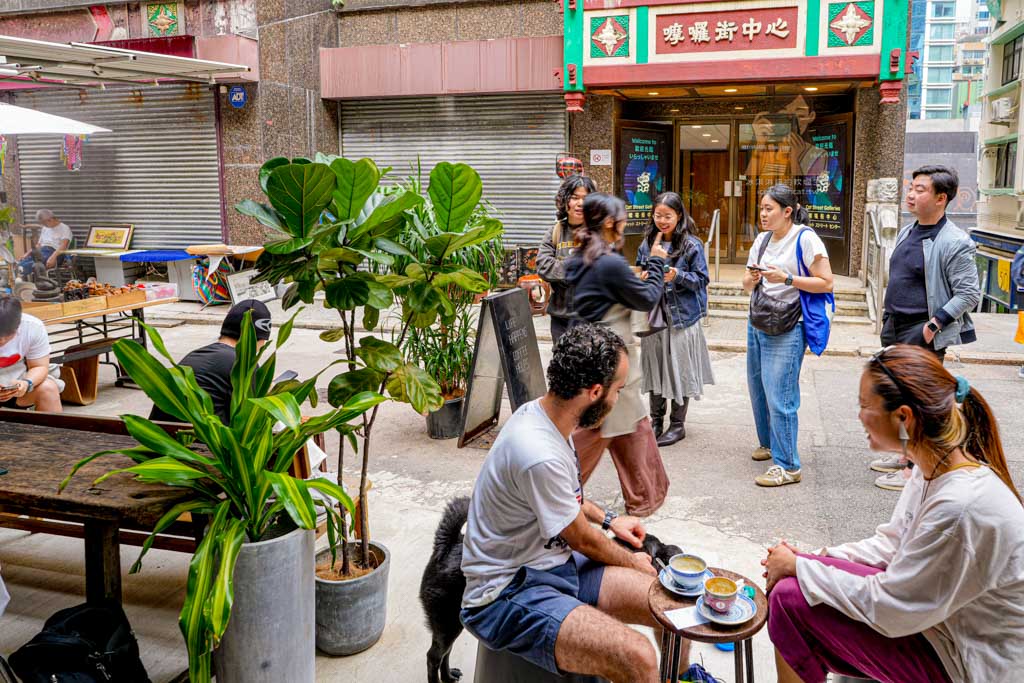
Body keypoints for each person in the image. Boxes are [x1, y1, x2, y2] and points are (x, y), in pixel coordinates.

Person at [762, 344, 1024, 683]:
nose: (858, 416)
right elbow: (890, 546)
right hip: (938, 625)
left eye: (865, 406)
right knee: (792, 585)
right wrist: (810, 560)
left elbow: (892, 606)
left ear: (903, 417)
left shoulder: (960, 507)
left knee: (788, 600)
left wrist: (802, 567)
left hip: (969, 659)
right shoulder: (932, 468)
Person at [460, 323, 689, 682]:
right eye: (618, 390)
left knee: (671, 604)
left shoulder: (552, 419)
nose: (619, 400)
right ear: (595, 391)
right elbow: (581, 538)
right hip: (506, 591)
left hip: (553, 563)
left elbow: (567, 503)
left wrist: (611, 519)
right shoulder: (538, 451)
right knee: (638, 657)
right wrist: (634, 562)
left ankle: (683, 678)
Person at [873, 165, 981, 491]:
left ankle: (912, 469)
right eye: (911, 187)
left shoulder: (955, 241)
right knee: (896, 394)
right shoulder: (908, 231)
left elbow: (969, 293)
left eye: (920, 189)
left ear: (940, 198)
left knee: (920, 400)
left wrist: (935, 324)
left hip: (922, 329)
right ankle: (904, 452)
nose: (911, 194)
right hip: (894, 323)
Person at [564, 193, 670, 516]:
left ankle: (646, 497)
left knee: (631, 424)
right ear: (610, 222)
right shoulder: (608, 263)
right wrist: (656, 262)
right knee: (596, 431)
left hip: (598, 354)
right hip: (611, 362)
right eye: (622, 217)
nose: (626, 223)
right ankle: (553, 490)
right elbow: (648, 297)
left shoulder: (580, 258)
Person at [743, 184, 834, 487]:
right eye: (761, 209)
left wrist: (788, 278)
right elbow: (745, 283)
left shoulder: (806, 238)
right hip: (758, 318)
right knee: (759, 387)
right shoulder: (762, 239)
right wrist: (754, 277)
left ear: (787, 211)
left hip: (788, 324)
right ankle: (769, 444)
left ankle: (788, 465)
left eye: (769, 209)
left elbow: (826, 282)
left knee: (780, 393)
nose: (763, 214)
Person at [635, 192, 714, 446]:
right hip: (654, 316)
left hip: (681, 318)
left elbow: (701, 280)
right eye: (658, 215)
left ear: (679, 216)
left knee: (679, 369)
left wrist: (677, 275)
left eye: (667, 216)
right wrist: (644, 276)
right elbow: (639, 270)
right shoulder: (647, 243)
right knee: (655, 367)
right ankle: (655, 421)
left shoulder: (692, 245)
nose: (662, 220)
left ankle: (677, 425)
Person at [149, 299, 272, 425]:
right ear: (257, 339)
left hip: (159, 436)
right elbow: (251, 418)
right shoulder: (243, 365)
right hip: (199, 441)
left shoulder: (196, 354)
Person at [537, 174, 597, 345]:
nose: (580, 203)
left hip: (590, 317)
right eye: (575, 197)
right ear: (565, 201)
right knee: (562, 366)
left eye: (585, 199)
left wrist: (561, 269)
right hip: (560, 317)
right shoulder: (555, 231)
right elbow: (543, 266)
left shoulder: (599, 233)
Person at [0, 296, 62, 412]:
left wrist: (26, 383)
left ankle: (52, 430)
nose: (2, 341)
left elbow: (39, 366)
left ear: (18, 326)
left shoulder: (32, 327)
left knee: (48, 389)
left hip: (14, 385)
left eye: (8, 336)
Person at [18, 209, 72, 277]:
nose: (43, 225)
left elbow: (63, 246)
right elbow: (39, 245)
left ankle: (23, 278)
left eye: (44, 223)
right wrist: (27, 254)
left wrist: (53, 257)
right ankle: (22, 278)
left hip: (55, 253)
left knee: (32, 265)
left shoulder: (64, 228)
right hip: (42, 251)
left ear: (50, 220)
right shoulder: (45, 228)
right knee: (22, 262)